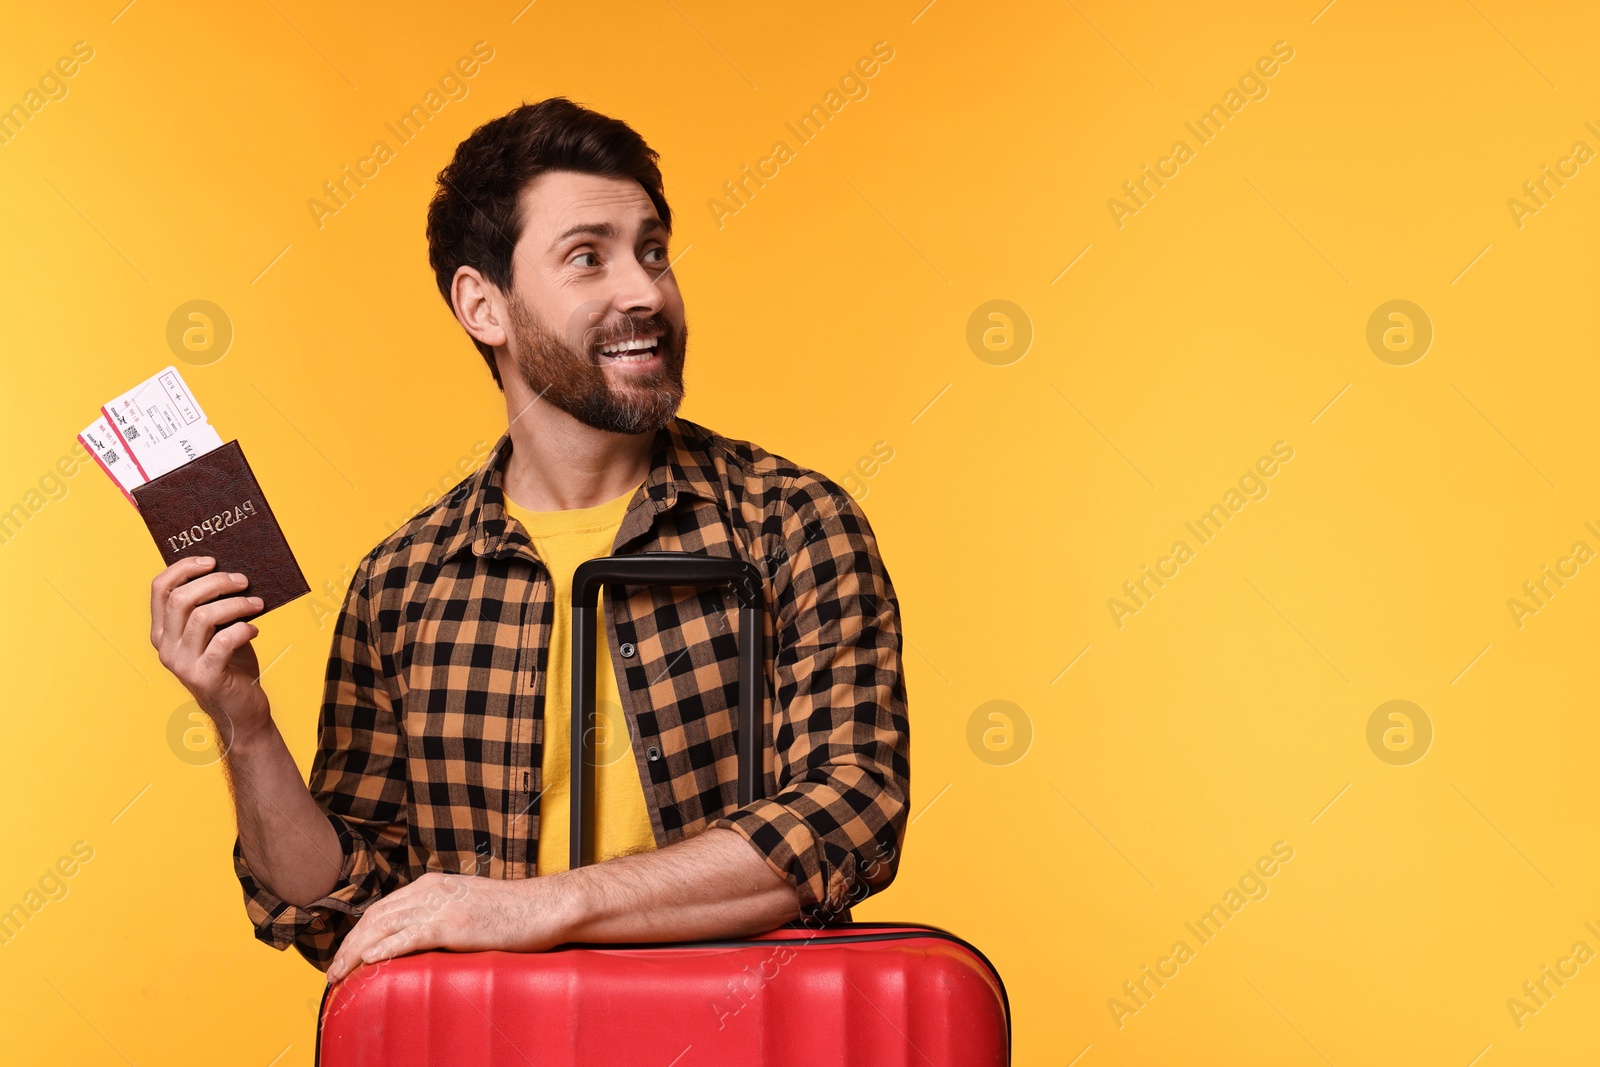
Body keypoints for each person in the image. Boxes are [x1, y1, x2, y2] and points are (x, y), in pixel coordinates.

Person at [148, 97, 910, 983]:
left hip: (741, 1037)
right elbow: (337, 911)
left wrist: (547, 905)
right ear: (484, 306)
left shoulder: (792, 524)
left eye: (653, 252)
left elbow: (850, 814)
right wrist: (242, 721)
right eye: (588, 257)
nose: (645, 290)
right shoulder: (403, 586)